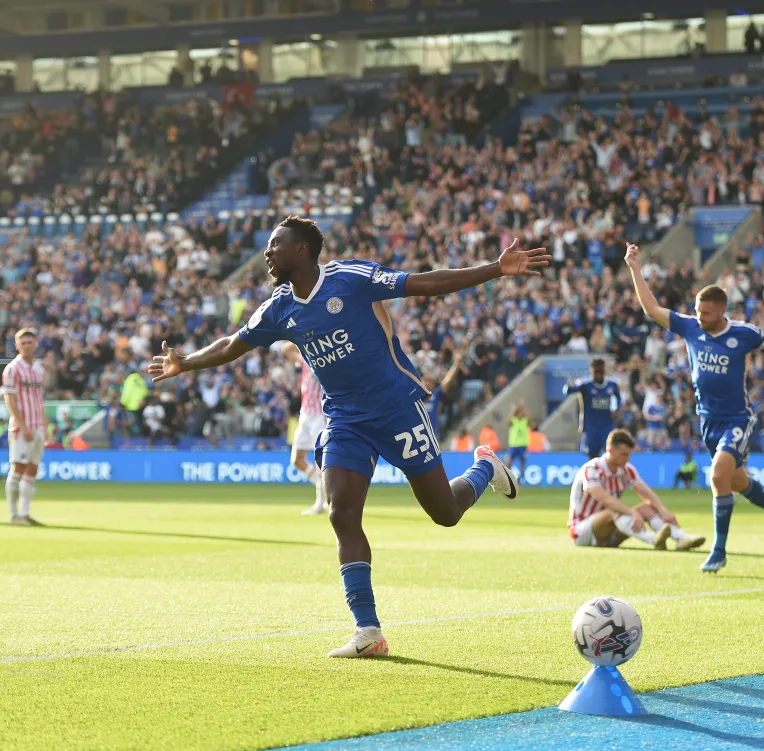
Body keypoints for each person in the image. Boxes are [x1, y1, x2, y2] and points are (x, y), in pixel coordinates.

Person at [148, 215, 549, 658]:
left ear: (301, 249)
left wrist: (495, 268)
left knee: (445, 513)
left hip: (397, 407)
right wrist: (186, 362)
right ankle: (368, 632)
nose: (267, 252)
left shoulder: (350, 278)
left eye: (275, 244)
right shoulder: (280, 306)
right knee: (341, 511)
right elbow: (232, 344)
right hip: (345, 419)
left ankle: (483, 467)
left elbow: (421, 283)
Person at [623, 243, 764, 573]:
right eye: (697, 309)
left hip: (738, 418)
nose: (699, 316)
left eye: (706, 313)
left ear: (722, 311)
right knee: (736, 481)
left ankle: (719, 551)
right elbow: (651, 309)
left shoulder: (744, 334)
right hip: (707, 420)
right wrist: (635, 268)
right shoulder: (690, 326)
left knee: (718, 475)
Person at [568, 429, 705, 551]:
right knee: (615, 510)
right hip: (582, 532)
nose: (627, 459)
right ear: (610, 451)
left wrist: (663, 511)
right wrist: (632, 512)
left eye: (629, 454)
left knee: (647, 508)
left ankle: (681, 538)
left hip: (611, 529)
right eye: (624, 454)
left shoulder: (626, 469)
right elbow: (606, 500)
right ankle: (654, 539)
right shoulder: (591, 469)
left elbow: (646, 493)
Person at [3, 329, 47, 526]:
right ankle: (13, 514)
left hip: (38, 426)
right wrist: (23, 426)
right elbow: (10, 399)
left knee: (33, 469)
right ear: (17, 346)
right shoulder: (12, 369)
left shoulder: (39, 370)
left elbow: (40, 399)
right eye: (23, 342)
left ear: (36, 344)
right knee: (18, 468)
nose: (27, 345)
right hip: (22, 427)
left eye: (30, 342)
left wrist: (45, 426)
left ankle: (25, 513)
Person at [284, 342, 327, 515]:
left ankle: (321, 502)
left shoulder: (319, 360)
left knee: (320, 460)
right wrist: (299, 338)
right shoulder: (304, 358)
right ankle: (322, 484)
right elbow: (286, 350)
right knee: (296, 459)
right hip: (305, 414)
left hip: (319, 415)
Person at [564, 358, 621, 458]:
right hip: (591, 426)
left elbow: (618, 398)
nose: (598, 374)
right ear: (591, 370)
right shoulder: (585, 385)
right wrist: (569, 386)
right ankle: (594, 473)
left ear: (604, 370)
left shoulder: (612, 385)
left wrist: (616, 410)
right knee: (592, 456)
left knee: (611, 453)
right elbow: (568, 391)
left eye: (600, 371)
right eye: (596, 371)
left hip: (607, 425)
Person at [505, 401, 530, 473]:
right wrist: (512, 410)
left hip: (523, 444)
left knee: (522, 462)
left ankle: (521, 477)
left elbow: (529, 418)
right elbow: (508, 421)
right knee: (509, 461)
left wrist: (524, 408)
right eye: (519, 413)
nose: (521, 415)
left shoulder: (525, 421)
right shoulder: (514, 421)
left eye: (522, 413)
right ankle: (508, 475)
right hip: (514, 445)